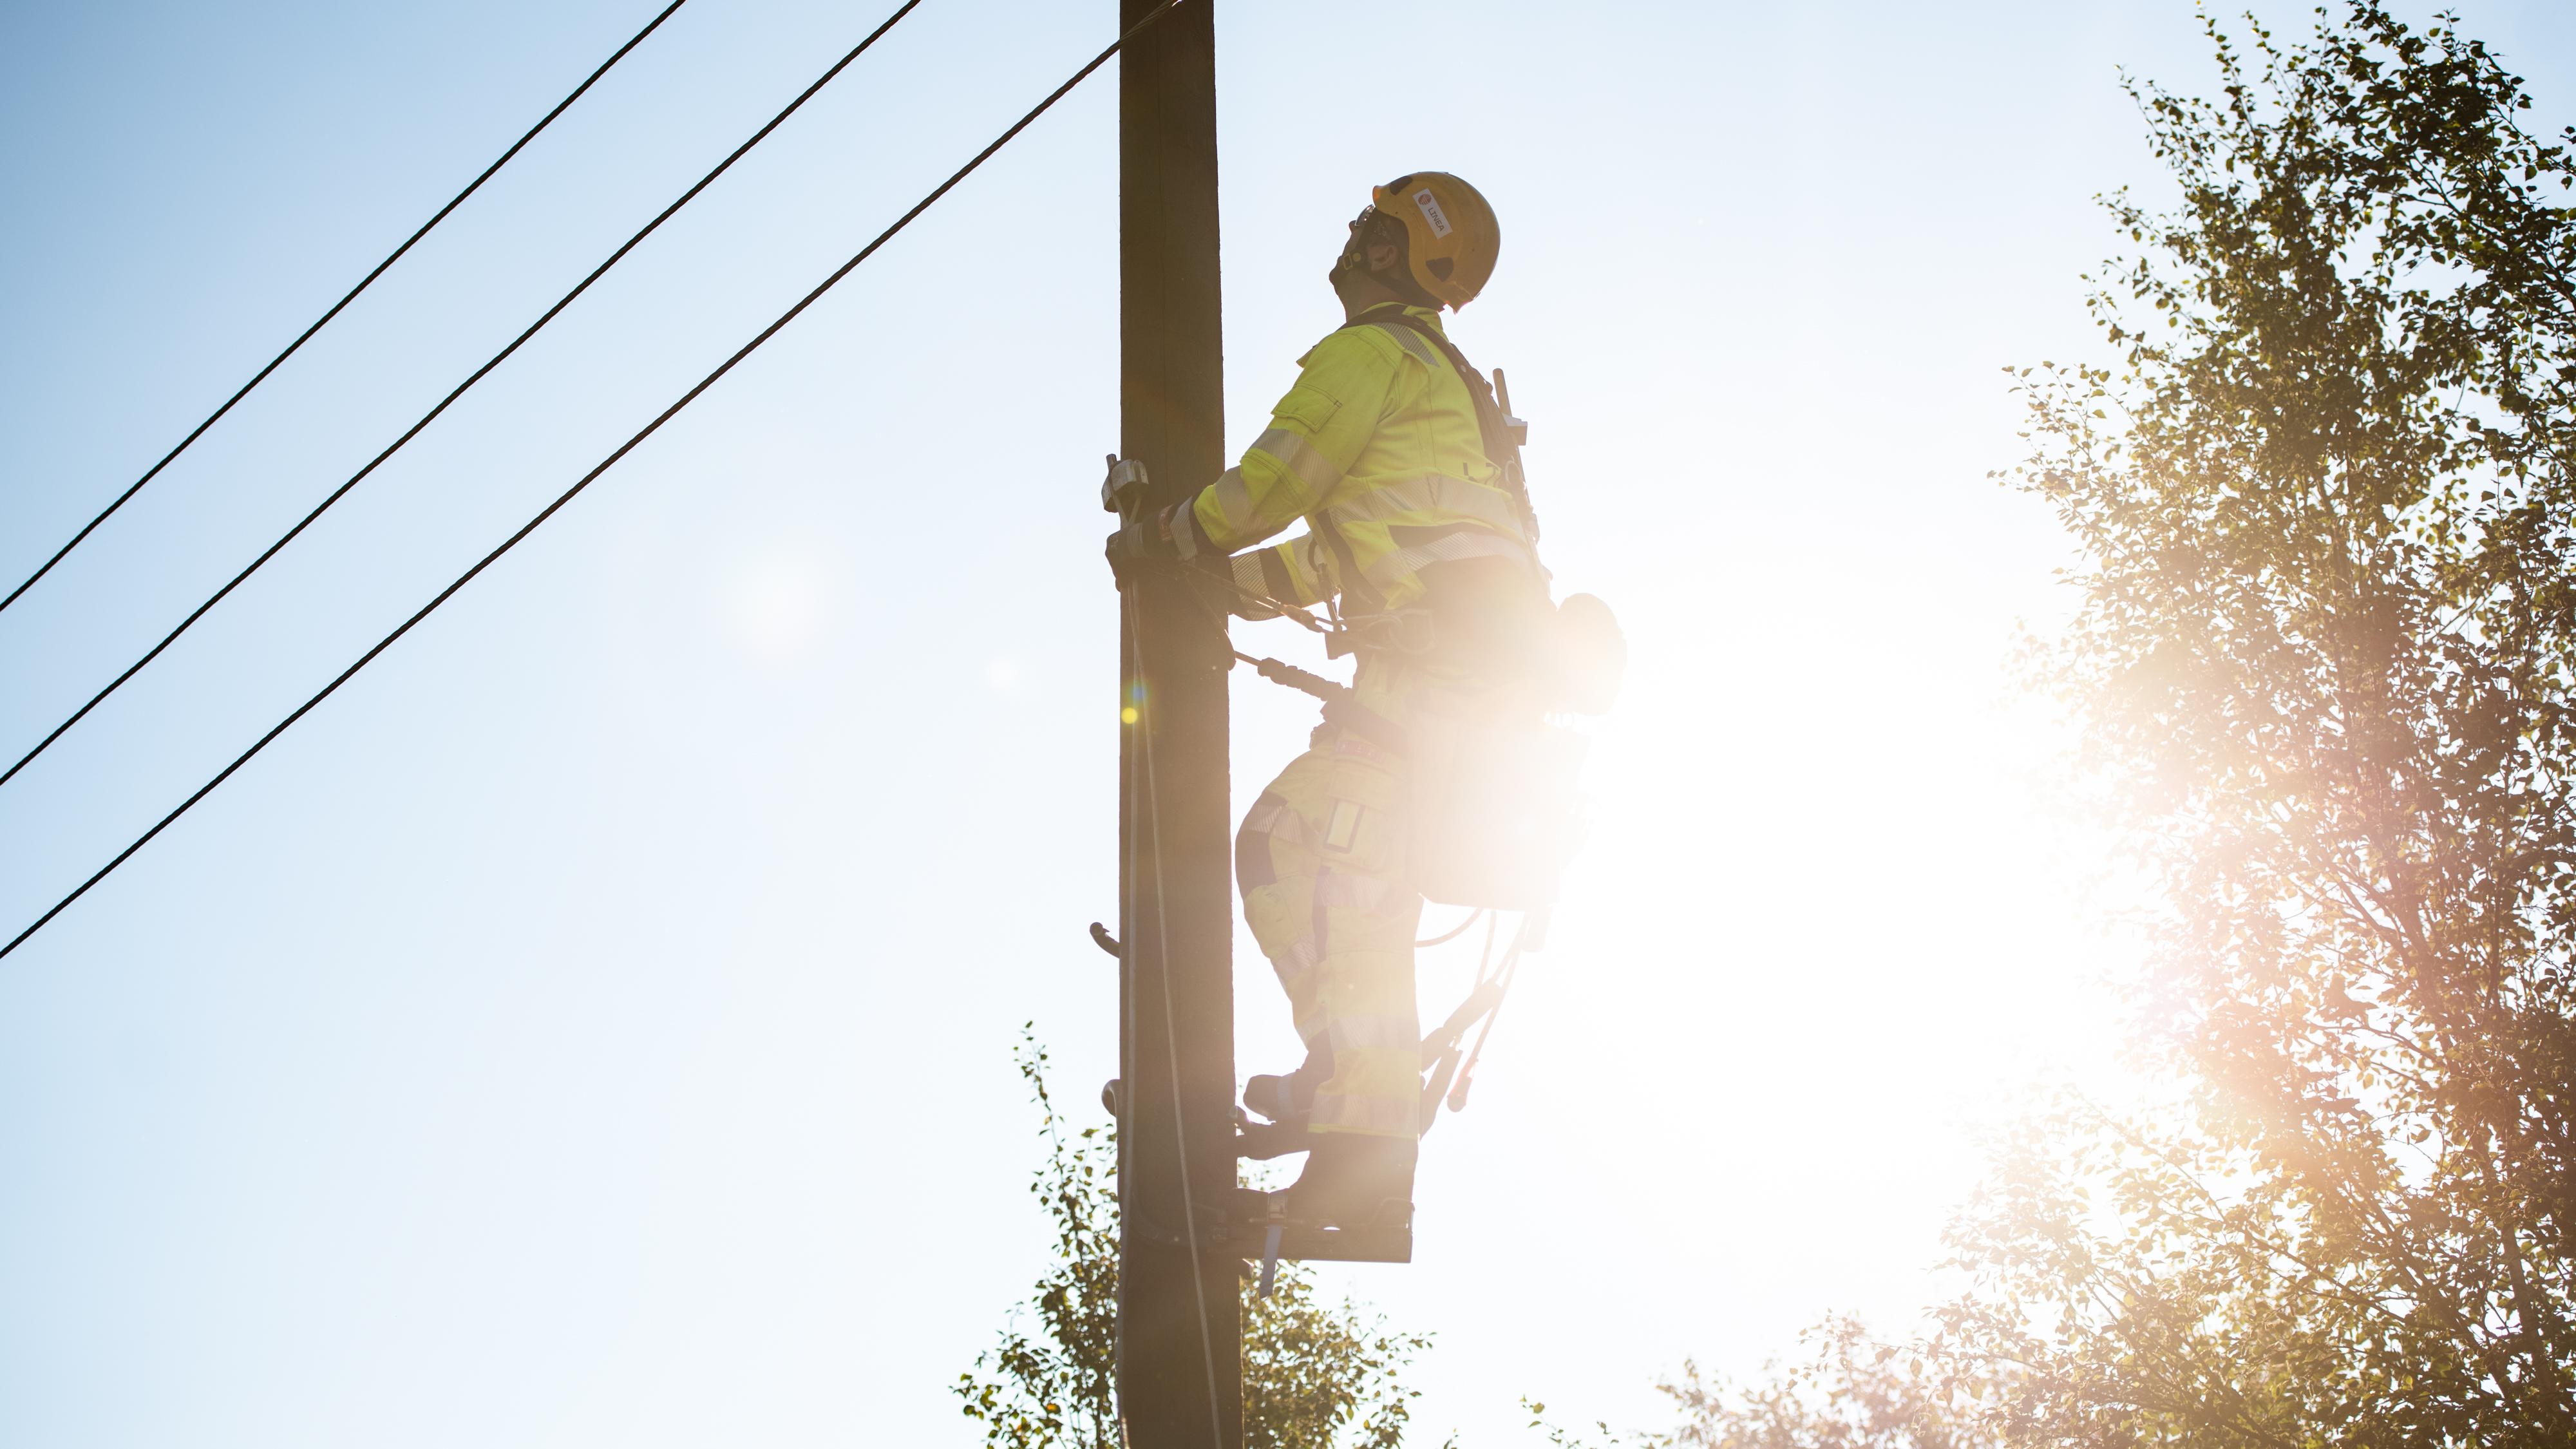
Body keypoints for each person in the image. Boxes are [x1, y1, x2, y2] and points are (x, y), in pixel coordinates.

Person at [1107, 172, 1548, 1228]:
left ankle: (1355, 1129)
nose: (1350, 240)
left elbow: (1272, 484)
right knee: (1359, 892)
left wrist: (1169, 540)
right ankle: (1358, 1127)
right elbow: (1356, 551)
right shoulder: (1455, 399)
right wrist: (1224, 588)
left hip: (1433, 693)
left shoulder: (1370, 357)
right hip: (1467, 700)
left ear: (1395, 253)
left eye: (1369, 227)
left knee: (1295, 845)